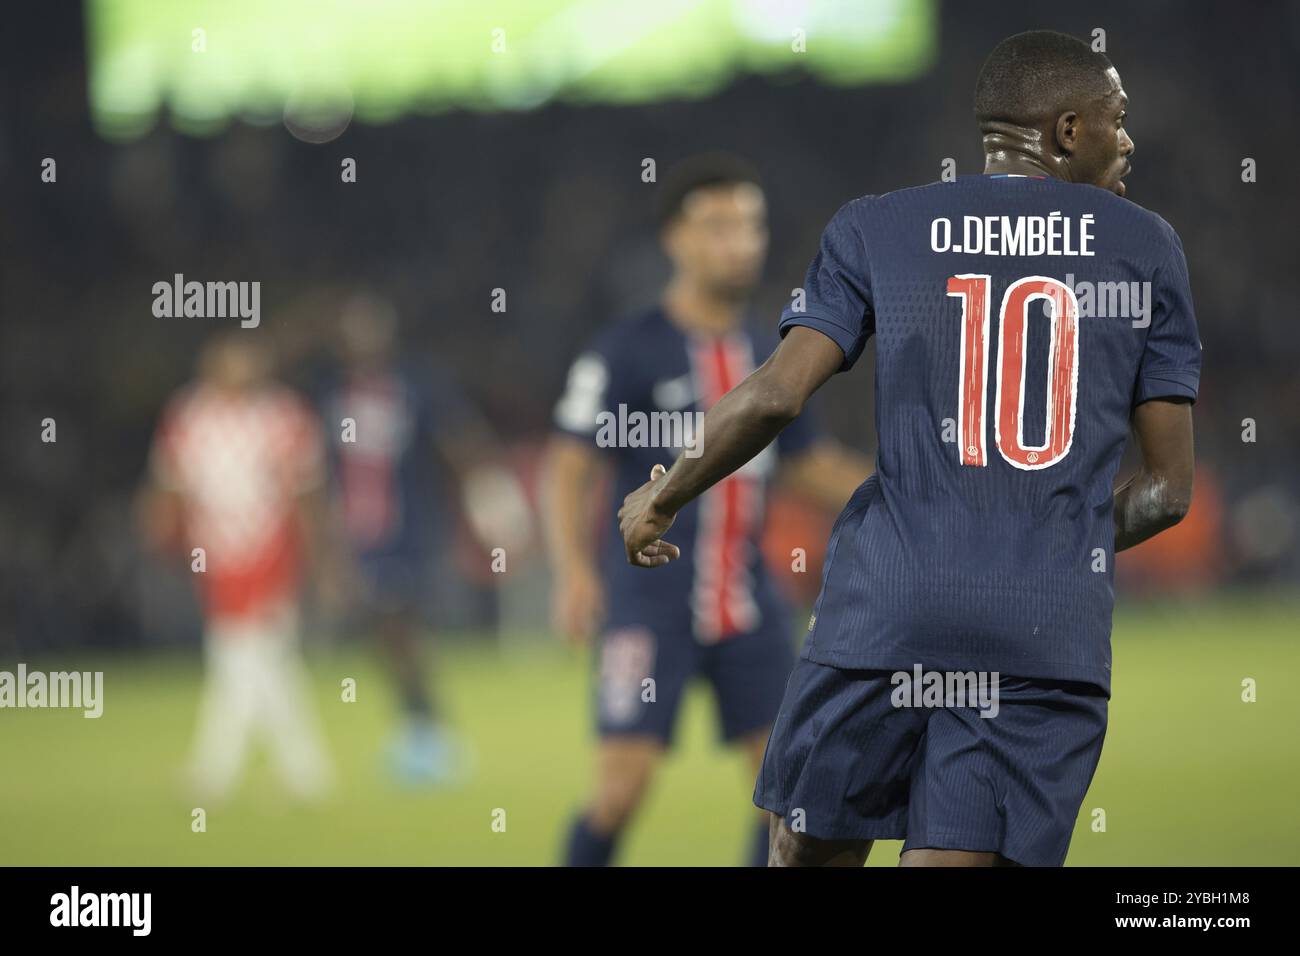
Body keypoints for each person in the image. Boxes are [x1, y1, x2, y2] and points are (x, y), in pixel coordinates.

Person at [618, 31, 1200, 866]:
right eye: (1119, 118)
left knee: (803, 849)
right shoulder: (1148, 248)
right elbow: (1168, 490)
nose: (1130, 138)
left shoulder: (878, 225)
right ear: (1068, 131)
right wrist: (1054, 542)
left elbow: (778, 393)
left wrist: (662, 496)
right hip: (1041, 634)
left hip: (884, 612)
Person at [545, 154, 871, 866]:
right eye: (718, 226)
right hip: (646, 600)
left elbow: (809, 462)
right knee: (621, 790)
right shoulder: (626, 350)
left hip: (748, 601)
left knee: (787, 794)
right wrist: (572, 572)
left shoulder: (773, 347)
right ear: (676, 241)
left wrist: (916, 490)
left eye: (749, 225)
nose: (740, 242)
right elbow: (570, 465)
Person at [140, 332, 337, 802]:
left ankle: (219, 772)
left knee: (242, 655)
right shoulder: (189, 416)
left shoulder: (283, 416)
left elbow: (308, 494)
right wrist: (162, 532)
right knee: (257, 660)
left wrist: (322, 557)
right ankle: (304, 770)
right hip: (215, 552)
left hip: (270, 551)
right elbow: (170, 481)